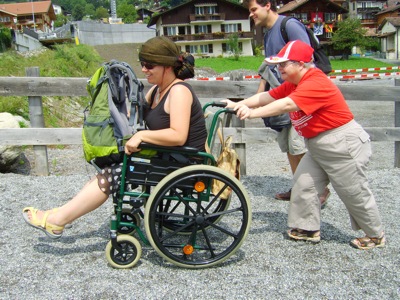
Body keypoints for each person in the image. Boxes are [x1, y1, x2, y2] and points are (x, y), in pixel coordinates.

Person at [22, 36, 207, 239]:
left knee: (115, 173)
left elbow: (178, 135)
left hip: (184, 163)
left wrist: (143, 135)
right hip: (167, 157)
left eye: (149, 65)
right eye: (142, 64)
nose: (144, 69)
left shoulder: (179, 91)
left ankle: (58, 221)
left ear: (167, 66)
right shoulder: (156, 91)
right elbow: (134, 114)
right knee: (110, 165)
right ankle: (60, 213)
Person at [223, 40, 385, 250]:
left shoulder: (316, 81)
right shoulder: (295, 82)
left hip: (342, 144)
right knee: (303, 184)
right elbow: (267, 96)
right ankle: (306, 228)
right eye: (278, 64)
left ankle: (375, 234)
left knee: (353, 191)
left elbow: (289, 104)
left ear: (301, 64)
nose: (279, 68)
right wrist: (239, 104)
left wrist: (252, 114)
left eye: (284, 64)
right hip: (319, 144)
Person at [244, 0, 330, 204]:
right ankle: (300, 187)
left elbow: (307, 61)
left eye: (254, 9)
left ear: (267, 5)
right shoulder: (268, 34)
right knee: (289, 147)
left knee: (297, 146)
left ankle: (318, 191)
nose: (251, 15)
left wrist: (298, 99)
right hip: (282, 96)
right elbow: (269, 67)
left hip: (297, 99)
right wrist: (258, 97)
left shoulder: (288, 26)